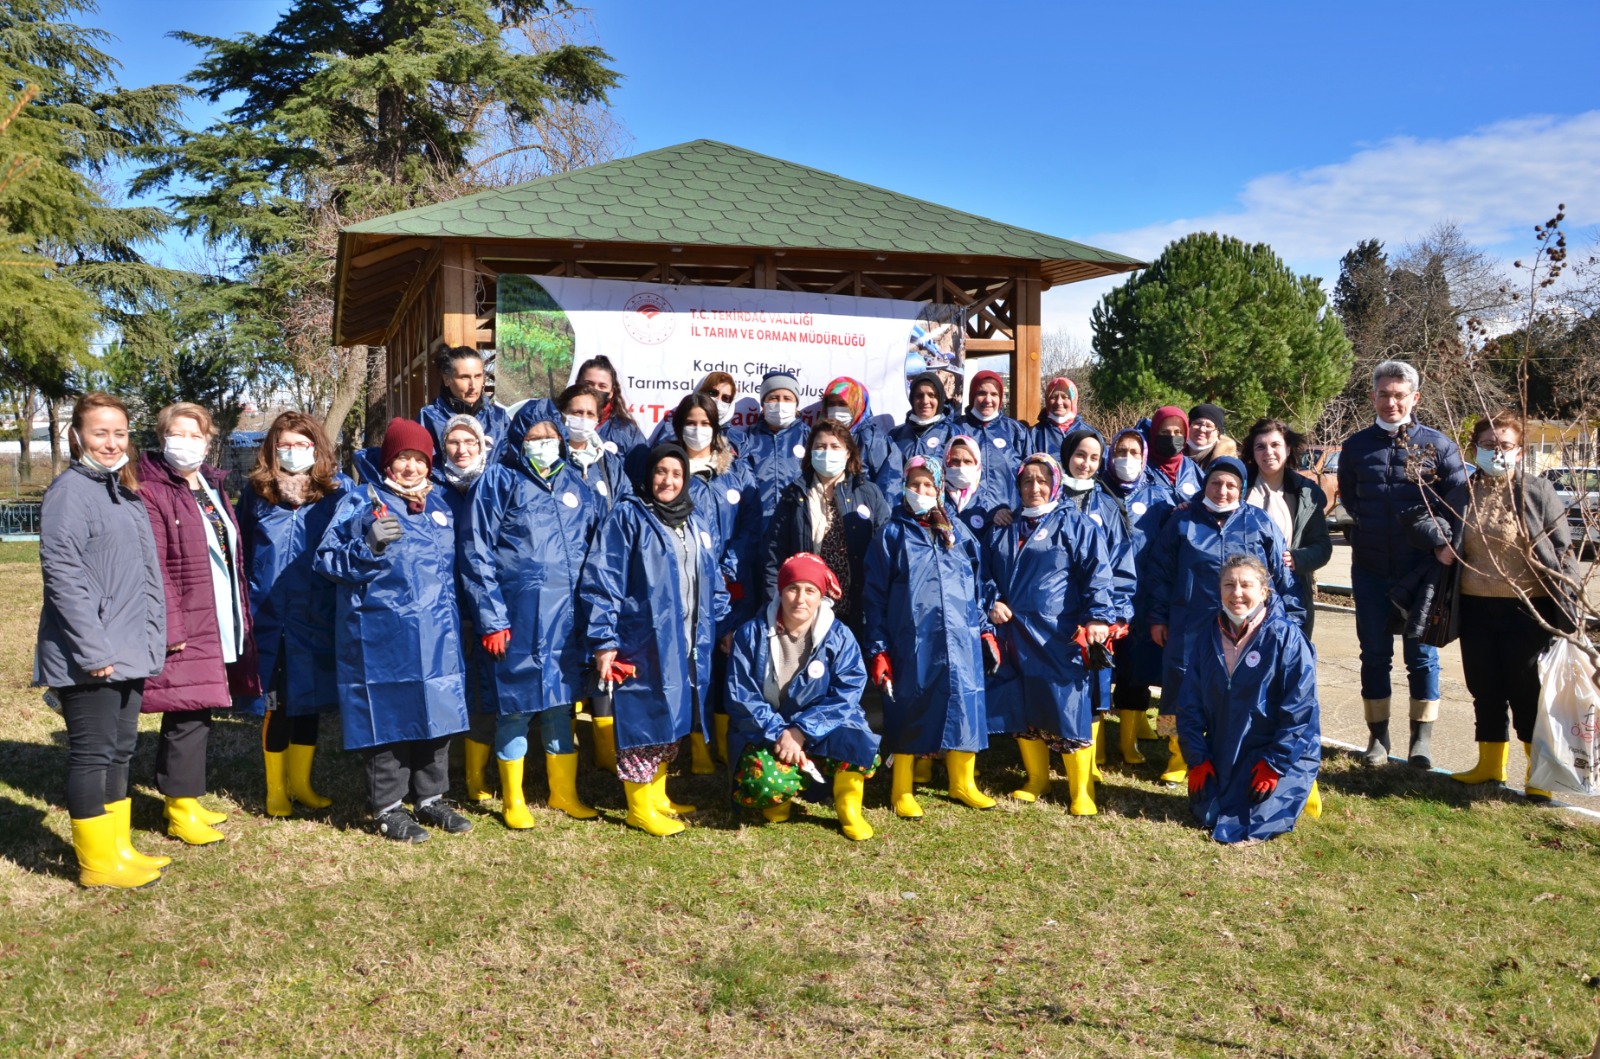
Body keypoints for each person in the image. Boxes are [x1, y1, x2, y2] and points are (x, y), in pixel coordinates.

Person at [314, 419, 473, 842]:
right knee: (388, 716)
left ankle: (431, 797)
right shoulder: (361, 501)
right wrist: (366, 545)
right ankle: (388, 806)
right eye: (403, 457)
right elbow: (327, 561)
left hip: (438, 631)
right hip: (382, 631)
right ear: (389, 460)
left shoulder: (440, 503)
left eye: (419, 458)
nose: (411, 467)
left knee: (438, 710)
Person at [35, 394, 169, 888]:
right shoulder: (70, 492)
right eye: (100, 433)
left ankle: (119, 847)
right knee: (92, 752)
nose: (111, 443)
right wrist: (92, 650)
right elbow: (63, 576)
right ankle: (95, 863)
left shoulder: (120, 491)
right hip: (91, 653)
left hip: (129, 647)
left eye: (119, 433)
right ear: (77, 436)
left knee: (120, 749)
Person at [1418, 413, 1579, 798]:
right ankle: (1490, 765)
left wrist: (1567, 593)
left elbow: (1563, 548)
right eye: (1489, 445)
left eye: (1505, 445)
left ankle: (1539, 775)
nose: (1497, 452)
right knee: (1485, 687)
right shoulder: (1461, 491)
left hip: (1527, 607)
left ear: (1520, 451)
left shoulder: (1537, 491)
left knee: (1527, 692)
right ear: (1475, 450)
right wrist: (1437, 542)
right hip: (1474, 606)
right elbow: (1426, 519)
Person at [461, 402, 603, 827]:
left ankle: (564, 793)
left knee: (562, 705)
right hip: (516, 619)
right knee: (515, 707)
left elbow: (595, 552)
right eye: (534, 437)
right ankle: (513, 798)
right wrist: (491, 618)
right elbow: (476, 552)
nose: (544, 444)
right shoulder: (499, 482)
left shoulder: (575, 484)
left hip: (567, 619)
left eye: (550, 436)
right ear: (519, 440)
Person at [579, 444, 730, 836]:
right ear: (649, 475)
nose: (668, 481)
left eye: (676, 474)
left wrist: (719, 622)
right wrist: (604, 639)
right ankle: (637, 806)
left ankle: (658, 795)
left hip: (687, 639)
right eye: (661, 472)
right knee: (642, 720)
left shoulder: (694, 520)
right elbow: (603, 580)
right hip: (640, 638)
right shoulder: (628, 516)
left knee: (673, 716)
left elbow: (711, 578)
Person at [137, 402, 259, 846]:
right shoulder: (151, 488)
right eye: (178, 433)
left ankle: (187, 797)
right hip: (184, 618)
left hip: (217, 611)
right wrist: (171, 626)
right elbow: (153, 566)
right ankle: (177, 808)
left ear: (209, 442)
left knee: (200, 706)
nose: (186, 443)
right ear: (161, 435)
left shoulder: (208, 484)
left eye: (196, 435)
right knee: (185, 711)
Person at [1337, 359, 1468, 768]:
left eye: (1399, 395)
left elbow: (1458, 503)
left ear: (1415, 397)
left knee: (1422, 657)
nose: (1391, 402)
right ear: (1372, 396)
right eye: (1383, 394)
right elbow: (1351, 501)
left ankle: (1420, 742)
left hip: (1422, 572)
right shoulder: (1355, 446)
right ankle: (1378, 739)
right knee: (1374, 655)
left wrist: (1442, 544)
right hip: (1371, 568)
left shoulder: (1439, 446)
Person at [1146, 457, 1300, 784]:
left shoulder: (1258, 522)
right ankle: (1177, 753)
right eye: (1216, 482)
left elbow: (1280, 578)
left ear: (1241, 489)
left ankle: (1228, 749)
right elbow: (1160, 573)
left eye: (1231, 485)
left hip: (1244, 627)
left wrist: (1289, 623)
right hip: (1187, 622)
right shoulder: (1182, 521)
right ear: (1206, 484)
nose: (1222, 490)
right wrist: (1158, 617)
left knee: (1237, 687)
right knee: (1177, 688)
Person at [862, 457, 997, 817]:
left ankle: (962, 782)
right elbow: (874, 596)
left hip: (961, 637)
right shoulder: (891, 534)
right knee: (909, 704)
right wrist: (878, 648)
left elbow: (980, 586)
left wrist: (985, 630)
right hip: (912, 638)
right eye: (915, 484)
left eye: (928, 486)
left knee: (964, 704)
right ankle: (902, 787)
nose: (921, 492)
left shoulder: (958, 533)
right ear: (904, 485)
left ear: (940, 490)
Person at [984, 453, 1116, 814]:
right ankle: (1037, 779)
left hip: (1060, 632)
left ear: (1055, 483)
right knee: (1025, 703)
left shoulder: (1076, 525)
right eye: (1027, 481)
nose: (1035, 488)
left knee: (1068, 706)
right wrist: (992, 599)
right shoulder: (1004, 527)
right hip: (1015, 632)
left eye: (1042, 480)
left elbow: (1097, 574)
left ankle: (1081, 790)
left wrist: (1098, 618)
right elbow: (984, 572)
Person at [238, 411, 353, 818]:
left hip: (317, 614)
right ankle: (275, 788)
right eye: (284, 445)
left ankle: (302, 783)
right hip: (270, 617)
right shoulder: (256, 494)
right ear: (272, 449)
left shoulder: (337, 495)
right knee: (277, 703)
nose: (293, 452)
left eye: (302, 445)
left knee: (309, 700)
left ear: (317, 449)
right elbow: (244, 554)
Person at [725, 553, 881, 840]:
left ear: (821, 595)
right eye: (792, 588)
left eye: (810, 590)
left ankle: (848, 810)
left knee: (857, 740)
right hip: (768, 729)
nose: (800, 598)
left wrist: (803, 730)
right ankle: (780, 801)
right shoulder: (751, 634)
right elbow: (740, 696)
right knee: (767, 783)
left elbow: (848, 692)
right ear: (780, 591)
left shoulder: (840, 636)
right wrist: (781, 733)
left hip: (821, 725)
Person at [1176, 555, 1322, 844]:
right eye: (1229, 584)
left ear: (1263, 591)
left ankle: (1304, 788)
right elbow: (1189, 702)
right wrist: (1198, 759)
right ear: (1219, 590)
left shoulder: (1287, 638)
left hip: (1274, 752)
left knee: (1254, 822)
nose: (1237, 593)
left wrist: (1276, 764)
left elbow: (1301, 710)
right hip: (1225, 750)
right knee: (1209, 816)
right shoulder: (1208, 636)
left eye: (1246, 585)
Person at [673, 391, 760, 768]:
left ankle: (723, 743)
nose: (698, 430)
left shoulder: (735, 471)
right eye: (690, 423)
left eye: (705, 423)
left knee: (727, 662)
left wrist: (727, 568)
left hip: (732, 586)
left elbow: (750, 527)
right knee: (691, 664)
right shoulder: (671, 469)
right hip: (684, 584)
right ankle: (696, 746)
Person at [430, 414, 501, 803]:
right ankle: (445, 764)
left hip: (487, 601)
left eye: (469, 442)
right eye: (454, 443)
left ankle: (477, 774)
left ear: (481, 445)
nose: (462, 450)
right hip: (446, 602)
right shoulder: (432, 487)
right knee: (447, 682)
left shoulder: (494, 483)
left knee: (483, 689)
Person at [1058, 429, 1137, 774]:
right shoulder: (1047, 495)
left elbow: (1122, 564)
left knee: (1092, 686)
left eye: (1094, 458)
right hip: (1055, 612)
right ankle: (1057, 749)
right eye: (1080, 455)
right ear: (1066, 455)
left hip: (1096, 614)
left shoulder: (1107, 504)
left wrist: (1117, 613)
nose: (1086, 464)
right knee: (1058, 683)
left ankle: (1087, 763)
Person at [763, 419, 890, 632]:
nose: (827, 452)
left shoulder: (869, 493)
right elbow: (773, 555)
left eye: (835, 447)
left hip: (857, 608)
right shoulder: (794, 495)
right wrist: (773, 606)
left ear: (848, 452)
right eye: (820, 447)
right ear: (810, 452)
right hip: (805, 611)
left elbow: (884, 552)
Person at [1101, 428, 1176, 764]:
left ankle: (1130, 741)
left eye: (1134, 451)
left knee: (1137, 670)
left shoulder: (1160, 497)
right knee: (1099, 671)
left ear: (1144, 457)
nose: (1126, 458)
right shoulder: (1098, 491)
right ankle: (1096, 742)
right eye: (1120, 451)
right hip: (1103, 596)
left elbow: (1172, 543)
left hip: (1144, 597)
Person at [1242, 417, 1332, 636]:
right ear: (1252, 453)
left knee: (1287, 659)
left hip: (1291, 591)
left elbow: (1322, 547)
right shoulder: (1238, 486)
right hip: (1242, 591)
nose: (1268, 452)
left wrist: (1298, 558)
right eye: (1260, 447)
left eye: (1275, 445)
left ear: (1288, 448)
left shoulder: (1306, 494)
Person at [730, 371, 812, 573]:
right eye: (773, 398)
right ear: (763, 403)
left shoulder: (810, 438)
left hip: (798, 530)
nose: (780, 403)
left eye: (787, 398)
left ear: (796, 404)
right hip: (756, 534)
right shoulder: (747, 439)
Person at [418, 346, 510, 462]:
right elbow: (422, 464)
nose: (473, 385)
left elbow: (511, 465)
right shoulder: (428, 418)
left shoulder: (499, 418)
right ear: (447, 379)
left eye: (478, 376)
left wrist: (488, 479)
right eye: (464, 377)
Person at [954, 369, 1031, 506]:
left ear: (1000, 398)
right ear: (972, 395)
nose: (988, 400)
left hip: (1007, 516)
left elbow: (1030, 474)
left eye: (994, 394)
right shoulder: (955, 428)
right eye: (981, 393)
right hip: (965, 515)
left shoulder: (1016, 431)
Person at [821, 375, 903, 502]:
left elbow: (888, 491)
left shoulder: (875, 441)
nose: (836, 409)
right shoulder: (818, 437)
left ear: (858, 405)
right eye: (832, 404)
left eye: (843, 404)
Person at [558, 383, 631, 511]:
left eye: (590, 414)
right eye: (577, 412)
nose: (584, 419)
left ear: (597, 419)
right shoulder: (550, 459)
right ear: (562, 415)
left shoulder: (608, 462)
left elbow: (626, 503)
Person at [576, 354, 648, 467]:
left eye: (602, 386)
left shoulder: (627, 431)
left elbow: (640, 477)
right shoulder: (560, 424)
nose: (595, 390)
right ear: (577, 384)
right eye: (588, 384)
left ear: (611, 392)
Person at [943, 434, 1014, 535]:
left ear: (977, 465)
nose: (961, 467)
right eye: (955, 461)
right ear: (946, 463)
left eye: (967, 461)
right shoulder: (935, 500)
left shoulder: (990, 506)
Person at [646, 371, 739, 446]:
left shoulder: (738, 441)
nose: (718, 400)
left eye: (725, 398)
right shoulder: (673, 431)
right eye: (713, 393)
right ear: (701, 391)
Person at [889, 371, 955, 466]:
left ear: (940, 399)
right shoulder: (895, 435)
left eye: (931, 395)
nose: (925, 401)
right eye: (919, 396)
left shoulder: (952, 433)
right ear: (912, 399)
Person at [1029, 376, 1101, 459]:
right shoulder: (1034, 434)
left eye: (1065, 397)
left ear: (1073, 400)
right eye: (1053, 397)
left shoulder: (1090, 433)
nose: (1059, 402)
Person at [1146, 405, 1205, 503]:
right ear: (1154, 433)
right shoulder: (1142, 468)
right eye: (1165, 432)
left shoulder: (1192, 470)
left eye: (1178, 432)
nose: (1172, 438)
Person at [1186, 403, 1238, 474]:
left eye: (1209, 426)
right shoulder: (1174, 454)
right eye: (1198, 423)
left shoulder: (1228, 462)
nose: (1202, 429)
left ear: (1218, 432)